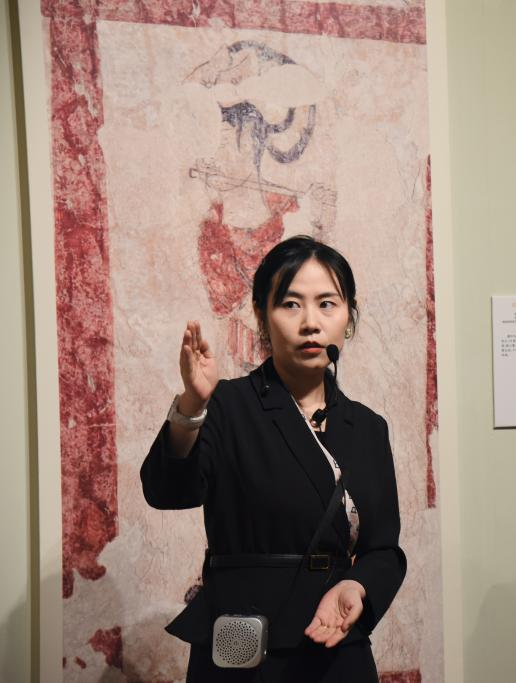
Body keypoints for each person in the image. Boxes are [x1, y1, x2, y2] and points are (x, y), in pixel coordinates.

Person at [141, 236, 405, 681]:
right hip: (246, 645)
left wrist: (357, 585)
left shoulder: (367, 427)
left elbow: (383, 550)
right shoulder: (226, 404)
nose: (310, 323)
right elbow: (166, 491)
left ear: (349, 317)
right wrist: (192, 407)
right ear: (261, 314)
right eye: (290, 304)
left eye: (327, 304)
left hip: (336, 643)